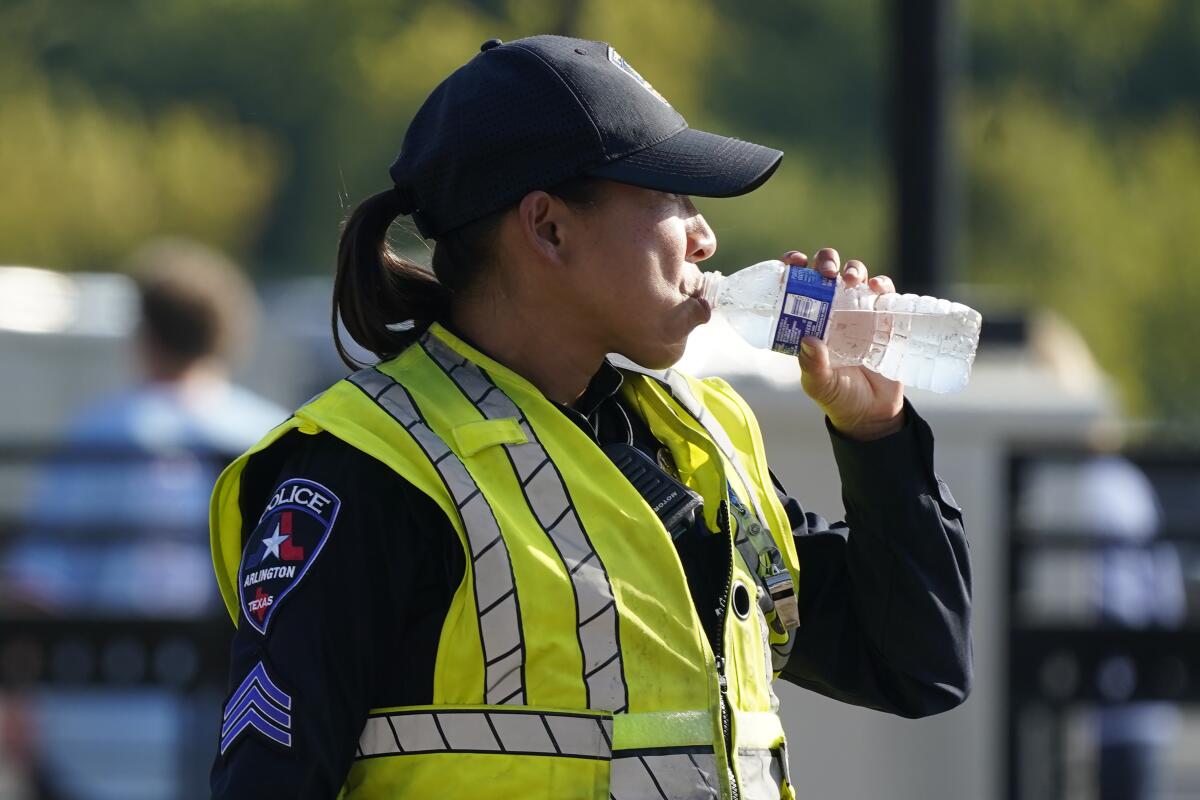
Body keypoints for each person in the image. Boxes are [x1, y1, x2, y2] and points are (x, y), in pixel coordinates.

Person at [208, 35, 972, 799]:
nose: (705, 237)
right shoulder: (371, 472)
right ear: (547, 228)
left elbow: (918, 667)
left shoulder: (694, 439)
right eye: (672, 198)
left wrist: (876, 435)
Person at [2, 239, 287, 799]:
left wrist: (16, 702)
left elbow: (37, 592)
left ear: (145, 334)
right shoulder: (271, 440)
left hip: (94, 738)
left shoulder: (100, 434)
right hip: (241, 737)